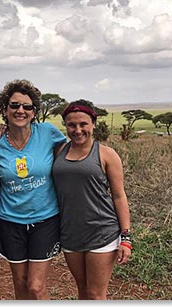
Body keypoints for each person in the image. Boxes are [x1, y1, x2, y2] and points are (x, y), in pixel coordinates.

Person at [0, 79, 67, 300]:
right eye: (14, 105)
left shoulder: (48, 133)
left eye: (27, 106)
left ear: (35, 112)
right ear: (4, 109)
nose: (20, 110)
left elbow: (69, 158)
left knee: (35, 286)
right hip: (10, 220)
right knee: (21, 284)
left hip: (45, 219)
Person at [52, 99, 132, 300]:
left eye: (83, 124)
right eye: (71, 125)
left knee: (96, 295)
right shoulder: (59, 151)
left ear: (93, 124)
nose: (77, 130)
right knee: (83, 291)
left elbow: (119, 195)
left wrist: (126, 237)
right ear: (65, 126)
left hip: (101, 231)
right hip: (70, 232)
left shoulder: (106, 155)